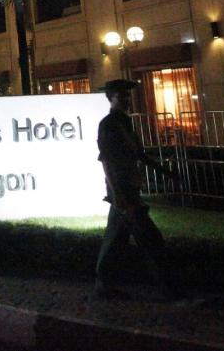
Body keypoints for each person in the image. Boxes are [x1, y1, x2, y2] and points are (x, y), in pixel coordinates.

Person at [94, 79, 183, 302]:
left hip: (126, 192)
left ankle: (104, 285)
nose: (127, 99)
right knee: (152, 241)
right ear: (111, 98)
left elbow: (138, 154)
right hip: (124, 194)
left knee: (114, 241)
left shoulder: (124, 122)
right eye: (121, 96)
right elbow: (107, 162)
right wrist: (119, 196)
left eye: (127, 95)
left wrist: (165, 172)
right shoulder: (109, 124)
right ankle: (170, 289)